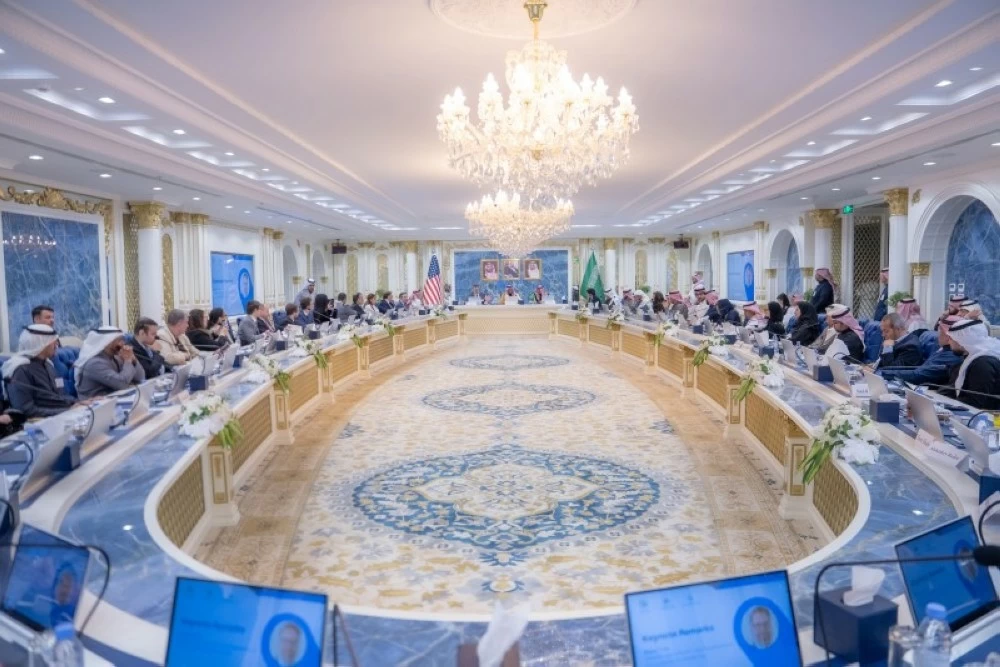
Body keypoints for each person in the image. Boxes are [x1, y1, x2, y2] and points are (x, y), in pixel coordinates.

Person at [2, 324, 77, 418]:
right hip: (37, 421)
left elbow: (61, 395)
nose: (57, 346)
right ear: (42, 344)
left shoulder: (48, 364)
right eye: (53, 342)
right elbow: (25, 410)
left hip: (61, 415)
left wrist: (79, 403)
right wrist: (67, 411)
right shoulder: (20, 370)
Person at [881, 315, 963, 386]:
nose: (938, 335)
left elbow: (919, 375)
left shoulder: (950, 355)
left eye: (941, 331)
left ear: (948, 336)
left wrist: (882, 373)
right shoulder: (943, 350)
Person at [938, 318, 1000, 410]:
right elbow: (953, 389)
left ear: (961, 341)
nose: (949, 342)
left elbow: (974, 402)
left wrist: (943, 406)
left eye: (951, 338)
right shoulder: (971, 358)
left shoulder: (982, 364)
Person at [75, 327, 146, 399]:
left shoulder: (115, 358)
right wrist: (128, 361)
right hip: (94, 403)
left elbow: (141, 377)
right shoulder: (95, 363)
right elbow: (121, 384)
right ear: (107, 342)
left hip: (113, 399)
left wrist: (133, 360)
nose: (123, 344)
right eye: (119, 340)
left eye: (122, 340)